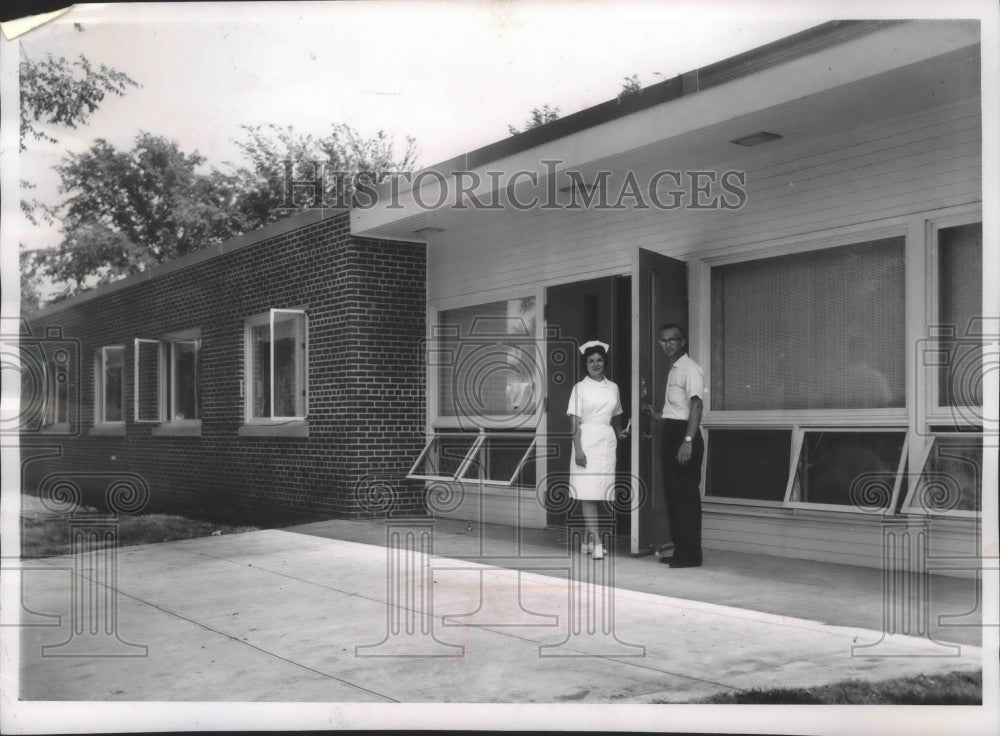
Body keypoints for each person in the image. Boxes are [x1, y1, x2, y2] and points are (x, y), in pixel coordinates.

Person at [566, 340, 629, 560]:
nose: (595, 364)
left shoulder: (613, 387)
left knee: (599, 492)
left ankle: (586, 541)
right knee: (588, 493)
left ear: (605, 362)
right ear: (585, 364)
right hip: (585, 441)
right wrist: (578, 450)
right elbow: (573, 422)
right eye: (591, 361)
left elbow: (617, 412)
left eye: (599, 360)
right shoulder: (579, 388)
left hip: (606, 441)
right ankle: (598, 543)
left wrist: (620, 431)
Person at [655, 324, 705, 568]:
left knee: (686, 497)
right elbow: (678, 407)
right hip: (672, 432)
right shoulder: (673, 370)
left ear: (683, 342)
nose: (668, 344)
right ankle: (680, 550)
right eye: (663, 340)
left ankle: (692, 554)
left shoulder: (691, 369)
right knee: (673, 496)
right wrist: (659, 416)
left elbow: (696, 406)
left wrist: (688, 441)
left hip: (685, 435)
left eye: (673, 339)